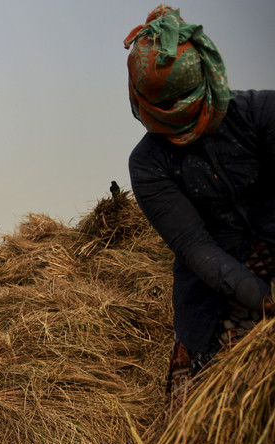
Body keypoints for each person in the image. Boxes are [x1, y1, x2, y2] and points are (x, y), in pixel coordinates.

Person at [125, 5, 275, 411]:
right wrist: (264, 301)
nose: (184, 135)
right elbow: (194, 246)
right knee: (198, 415)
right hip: (213, 289)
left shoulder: (263, 114)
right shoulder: (148, 164)